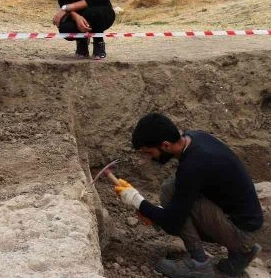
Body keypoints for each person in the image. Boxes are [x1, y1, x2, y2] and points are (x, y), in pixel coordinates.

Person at [113, 113, 263, 278]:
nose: (149, 158)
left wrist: (136, 200)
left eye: (149, 152)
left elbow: (173, 223)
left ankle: (199, 263)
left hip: (241, 232)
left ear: (165, 145)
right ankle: (240, 256)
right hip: (247, 221)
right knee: (171, 188)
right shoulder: (195, 138)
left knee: (173, 196)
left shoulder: (193, 166)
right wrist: (156, 212)